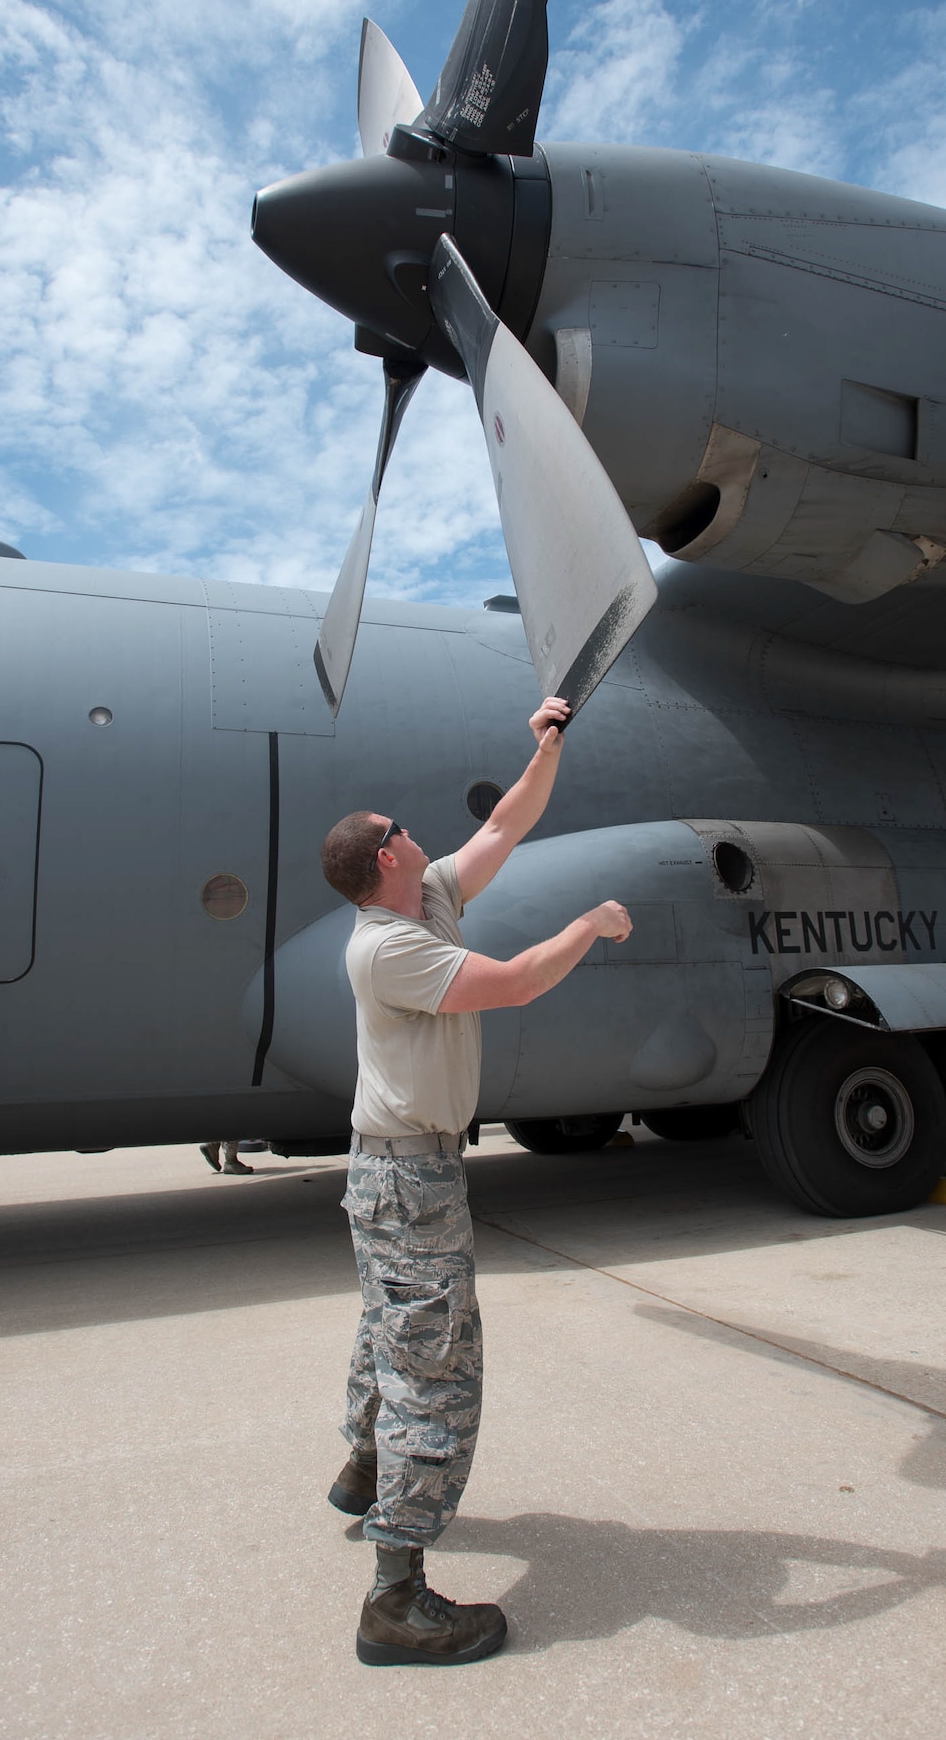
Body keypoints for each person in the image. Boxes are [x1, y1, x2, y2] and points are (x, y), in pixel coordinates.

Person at [319, 695, 632, 1667]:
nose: (417, 831)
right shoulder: (392, 946)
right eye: (399, 829)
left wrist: (546, 741)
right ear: (384, 859)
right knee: (435, 1365)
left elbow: (506, 823)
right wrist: (592, 921)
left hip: (394, 1171)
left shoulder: (428, 899)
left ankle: (364, 1467)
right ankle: (396, 1596)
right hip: (409, 1179)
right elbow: (519, 978)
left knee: (391, 1326)